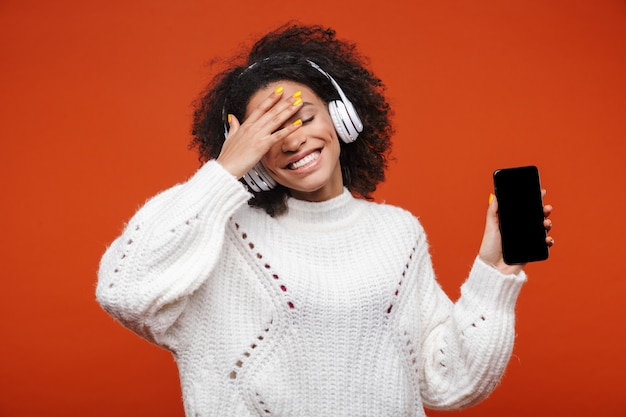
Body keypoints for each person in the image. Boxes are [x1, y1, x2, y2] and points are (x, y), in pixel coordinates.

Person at [96, 23, 554, 417]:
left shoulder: (398, 232)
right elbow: (122, 290)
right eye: (269, 133)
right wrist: (224, 171)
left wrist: (497, 271)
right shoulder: (221, 234)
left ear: (343, 118)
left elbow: (450, 382)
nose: (293, 141)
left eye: (303, 117)